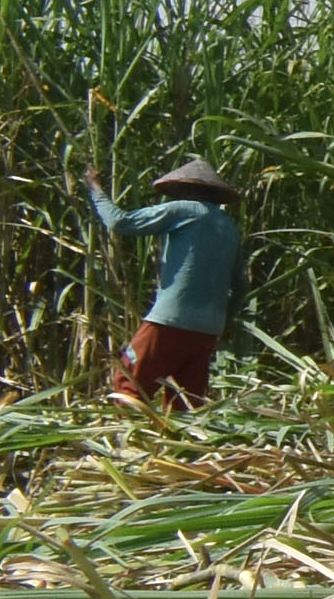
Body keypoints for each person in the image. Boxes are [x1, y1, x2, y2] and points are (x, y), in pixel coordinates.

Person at [90, 156, 245, 409]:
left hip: (172, 321)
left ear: (188, 190)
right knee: (185, 403)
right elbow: (240, 286)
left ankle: (128, 444)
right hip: (209, 329)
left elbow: (120, 222)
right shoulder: (229, 227)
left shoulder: (184, 210)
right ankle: (178, 448)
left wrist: (96, 191)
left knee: (129, 385)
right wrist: (227, 321)